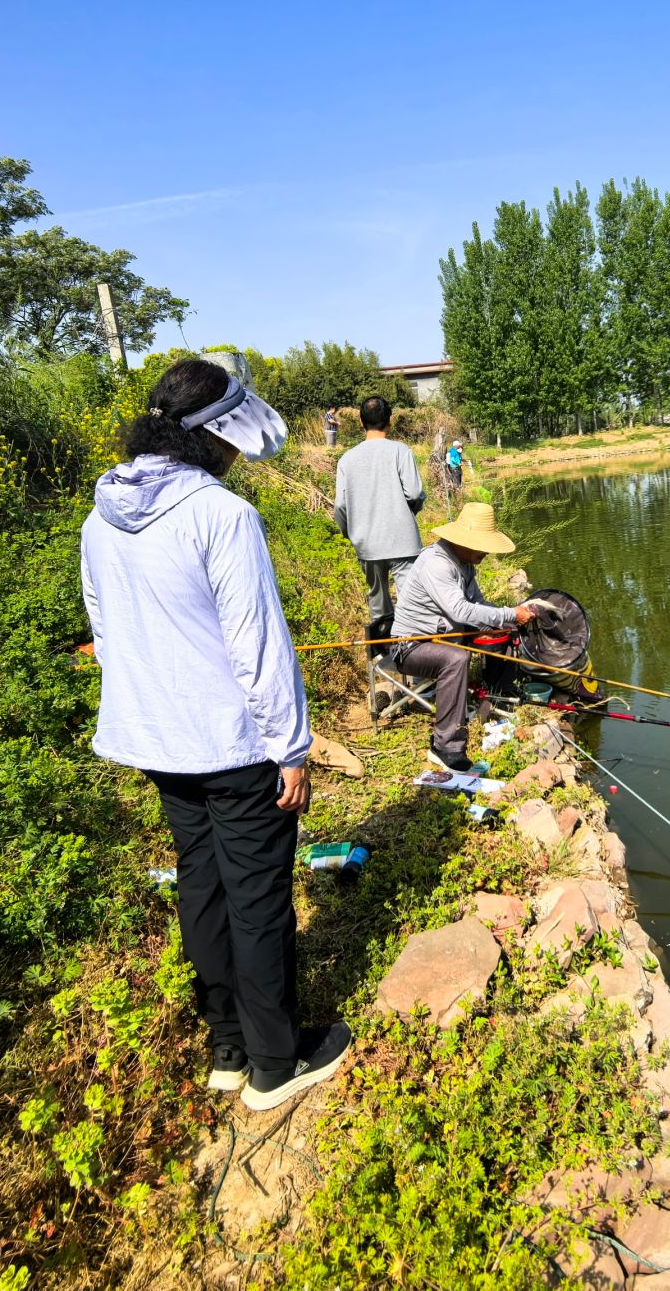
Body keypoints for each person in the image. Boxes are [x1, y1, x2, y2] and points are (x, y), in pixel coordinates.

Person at [81, 358, 352, 1111]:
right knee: (257, 897)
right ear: (215, 438)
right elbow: (257, 644)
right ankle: (275, 1063)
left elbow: (105, 633)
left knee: (201, 887)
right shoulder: (220, 515)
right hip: (234, 747)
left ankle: (226, 1046)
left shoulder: (100, 515)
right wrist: (290, 748)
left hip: (156, 743)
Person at [390, 501, 537, 771]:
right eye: (483, 545)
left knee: (503, 627)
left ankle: (500, 691)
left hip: (448, 634)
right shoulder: (437, 564)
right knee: (456, 659)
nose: (486, 552)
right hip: (412, 646)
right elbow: (460, 610)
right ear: (465, 541)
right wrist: (509, 613)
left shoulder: (465, 564)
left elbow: (478, 605)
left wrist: (508, 617)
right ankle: (445, 746)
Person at [332, 394, 423, 652]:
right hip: (403, 541)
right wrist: (411, 511)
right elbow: (414, 493)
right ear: (389, 421)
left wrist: (349, 533)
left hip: (367, 544)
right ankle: (416, 666)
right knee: (410, 602)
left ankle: (386, 659)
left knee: (378, 602)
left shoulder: (347, 459)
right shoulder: (400, 451)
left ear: (361, 421)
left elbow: (340, 506)